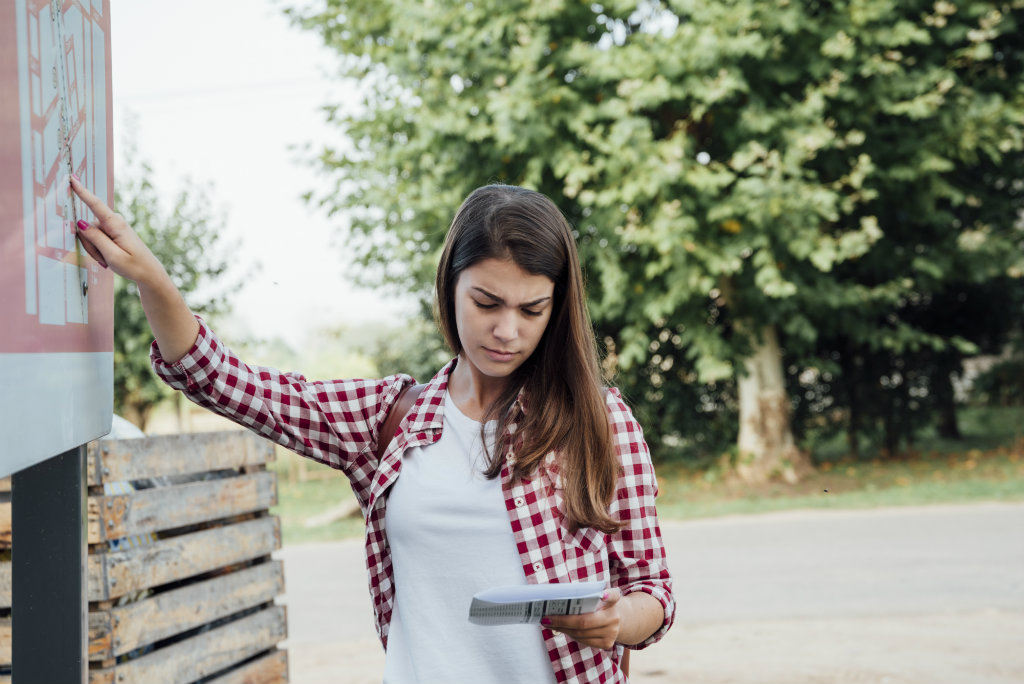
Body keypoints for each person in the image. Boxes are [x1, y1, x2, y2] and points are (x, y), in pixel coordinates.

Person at [70, 176, 674, 683]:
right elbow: (220, 378)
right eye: (487, 303)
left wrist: (616, 623)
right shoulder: (390, 418)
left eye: (531, 310)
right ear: (450, 286)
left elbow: (653, 590)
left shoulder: (598, 419)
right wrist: (152, 279)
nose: (507, 330)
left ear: (556, 307)